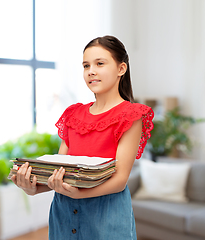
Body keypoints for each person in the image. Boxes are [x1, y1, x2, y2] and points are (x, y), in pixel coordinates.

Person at [11, 35, 154, 240]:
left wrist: (80, 194)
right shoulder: (73, 114)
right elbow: (60, 173)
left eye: (100, 63)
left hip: (106, 216)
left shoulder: (131, 115)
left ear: (121, 69)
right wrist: (31, 187)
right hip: (64, 214)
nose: (91, 71)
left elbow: (120, 181)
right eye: (86, 65)